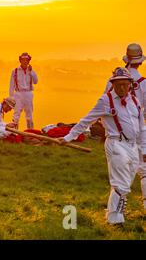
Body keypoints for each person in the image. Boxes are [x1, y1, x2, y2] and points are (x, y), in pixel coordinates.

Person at [58, 67, 146, 225]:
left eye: (124, 84)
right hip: (115, 143)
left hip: (133, 147)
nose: (121, 87)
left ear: (130, 85)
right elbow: (86, 120)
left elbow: (142, 127)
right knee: (120, 183)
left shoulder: (135, 101)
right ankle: (115, 220)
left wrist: (144, 148)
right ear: (112, 84)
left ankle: (116, 212)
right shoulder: (106, 100)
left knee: (126, 182)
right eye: (117, 84)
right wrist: (68, 137)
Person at [104, 43, 146, 209]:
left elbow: (105, 103)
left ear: (127, 59)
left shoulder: (112, 81)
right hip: (138, 129)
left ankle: (117, 208)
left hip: (117, 132)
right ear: (140, 62)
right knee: (144, 170)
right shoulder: (144, 83)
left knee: (119, 172)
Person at [9, 52, 38, 129]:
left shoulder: (31, 71)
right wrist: (11, 97)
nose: (25, 61)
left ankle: (30, 132)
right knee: (16, 114)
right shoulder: (15, 71)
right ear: (20, 61)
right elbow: (11, 85)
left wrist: (31, 71)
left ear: (28, 61)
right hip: (18, 94)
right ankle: (14, 133)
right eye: (23, 60)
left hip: (28, 93)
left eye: (26, 60)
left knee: (29, 114)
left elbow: (36, 81)